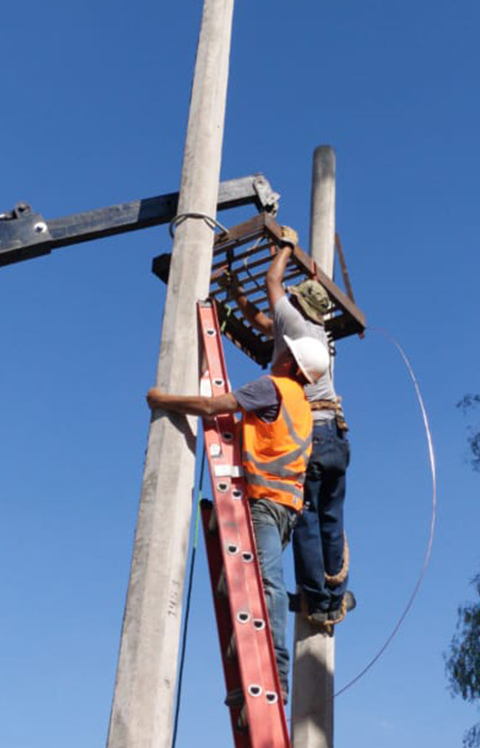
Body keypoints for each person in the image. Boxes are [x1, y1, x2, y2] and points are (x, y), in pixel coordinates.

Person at [146, 333, 330, 700]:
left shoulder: (272, 388)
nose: (278, 353)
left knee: (266, 585)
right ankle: (253, 675)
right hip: (287, 508)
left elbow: (215, 407)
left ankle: (275, 674)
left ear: (291, 364)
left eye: (285, 351)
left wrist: (161, 400)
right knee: (258, 584)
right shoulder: (302, 405)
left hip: (265, 501)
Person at [222, 226, 354, 630]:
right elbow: (258, 319)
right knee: (331, 516)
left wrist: (285, 246)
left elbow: (271, 280)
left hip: (312, 431)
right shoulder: (309, 332)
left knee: (306, 515)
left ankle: (318, 602)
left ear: (297, 304)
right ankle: (334, 593)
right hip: (338, 434)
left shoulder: (293, 319)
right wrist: (235, 293)